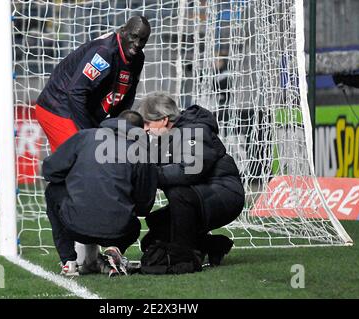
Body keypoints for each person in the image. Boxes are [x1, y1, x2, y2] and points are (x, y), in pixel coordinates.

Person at [134, 92, 245, 268]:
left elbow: (190, 170)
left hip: (225, 195)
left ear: (163, 120)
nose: (145, 129)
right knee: (154, 233)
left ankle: (183, 256)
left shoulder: (194, 131)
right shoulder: (169, 136)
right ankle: (214, 245)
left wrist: (151, 175)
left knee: (178, 192)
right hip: (204, 193)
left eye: (147, 123)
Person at [42, 110, 157, 277]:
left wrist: (75, 180)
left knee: (53, 190)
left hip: (74, 226)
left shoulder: (85, 136)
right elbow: (144, 206)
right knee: (133, 223)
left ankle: (69, 261)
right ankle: (115, 249)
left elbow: (50, 171)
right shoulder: (142, 153)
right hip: (120, 232)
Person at [35, 15, 151, 152]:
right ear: (123, 31)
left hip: (83, 111)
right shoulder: (104, 52)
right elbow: (75, 92)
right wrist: (90, 133)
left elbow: (126, 99)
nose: (137, 44)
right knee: (85, 158)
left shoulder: (137, 59)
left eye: (142, 40)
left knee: (94, 159)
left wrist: (119, 131)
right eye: (134, 36)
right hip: (58, 106)